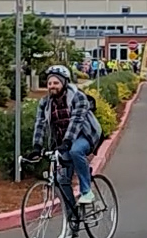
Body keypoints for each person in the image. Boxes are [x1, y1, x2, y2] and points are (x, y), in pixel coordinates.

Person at [30, 65, 103, 207]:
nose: (52, 86)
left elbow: (77, 121)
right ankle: (72, 218)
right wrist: (37, 146)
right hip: (64, 141)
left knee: (75, 151)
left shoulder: (78, 97)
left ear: (64, 83)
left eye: (56, 83)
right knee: (61, 179)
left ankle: (87, 191)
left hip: (86, 135)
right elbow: (40, 124)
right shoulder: (45, 103)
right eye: (49, 83)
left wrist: (67, 141)